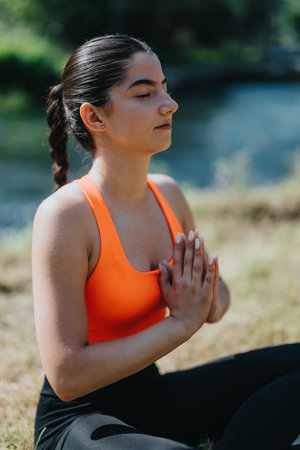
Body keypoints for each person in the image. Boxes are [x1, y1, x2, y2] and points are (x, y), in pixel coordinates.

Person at [32, 34, 300, 450]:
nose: (169, 103)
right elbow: (67, 378)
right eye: (144, 93)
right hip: (78, 420)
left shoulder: (168, 194)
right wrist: (179, 324)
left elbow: (216, 304)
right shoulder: (66, 216)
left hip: (151, 399)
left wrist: (204, 296)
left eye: (164, 87)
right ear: (95, 118)